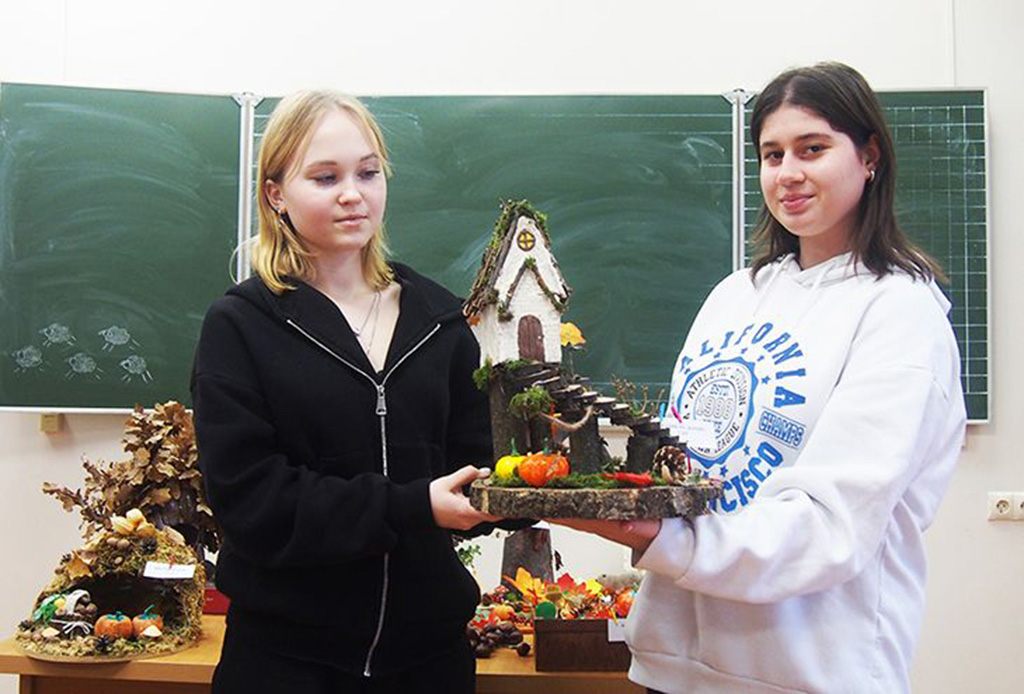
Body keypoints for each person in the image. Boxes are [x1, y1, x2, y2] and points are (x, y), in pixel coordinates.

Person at [554, 62, 966, 694]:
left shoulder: (900, 311)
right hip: (672, 664)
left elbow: (831, 525)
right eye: (772, 155)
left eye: (813, 148)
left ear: (869, 156)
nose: (787, 173)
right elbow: (686, 461)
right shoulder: (734, 295)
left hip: (807, 674)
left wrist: (663, 538)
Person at [191, 90, 508, 693]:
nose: (352, 194)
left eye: (368, 172)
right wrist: (412, 506)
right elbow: (253, 503)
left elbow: (475, 463)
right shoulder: (241, 325)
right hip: (285, 663)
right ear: (276, 194)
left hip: (429, 662)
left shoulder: (439, 320)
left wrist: (523, 482)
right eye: (325, 177)